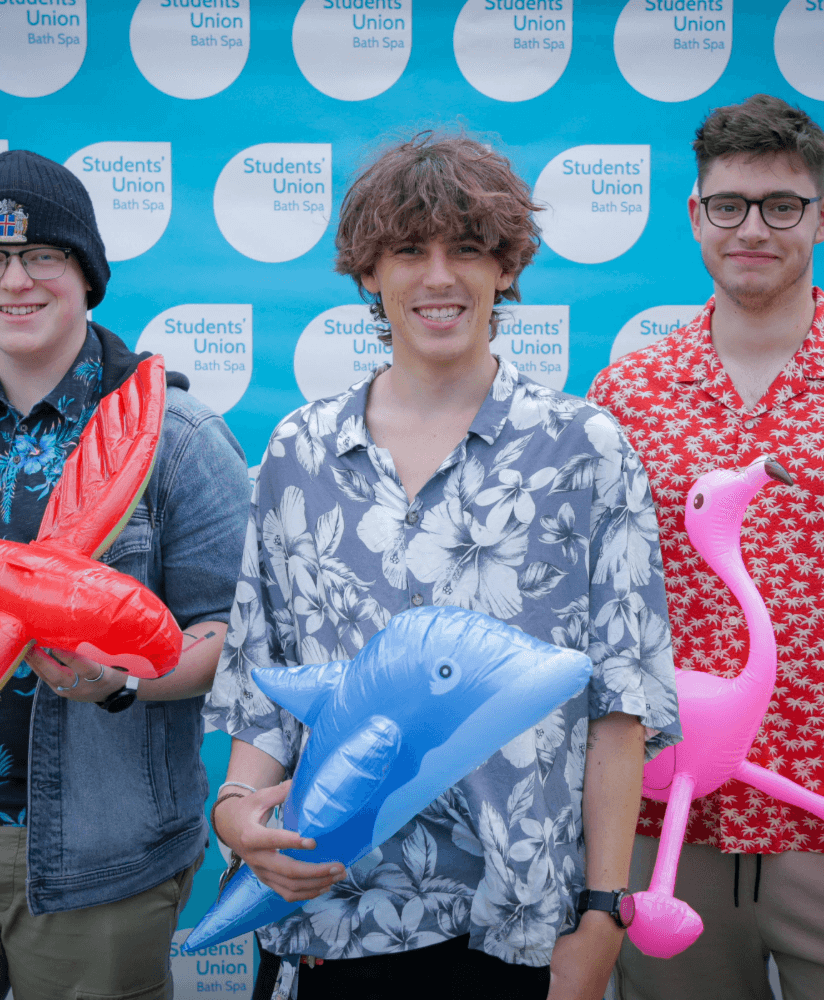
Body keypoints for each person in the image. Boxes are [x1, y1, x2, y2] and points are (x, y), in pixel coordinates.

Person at [203, 132, 681, 1000]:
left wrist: (604, 910)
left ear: (506, 268)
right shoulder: (301, 452)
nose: (437, 277)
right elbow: (261, 682)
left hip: (518, 928)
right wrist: (237, 819)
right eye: (407, 250)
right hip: (328, 917)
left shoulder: (586, 450)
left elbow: (622, 703)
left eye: (467, 249)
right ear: (368, 274)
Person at [0, 150, 250, 1000]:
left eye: (43, 257)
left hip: (102, 855)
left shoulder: (176, 434)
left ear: (86, 274)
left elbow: (237, 635)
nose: (15, 280)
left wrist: (120, 682)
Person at [588, 94, 824, 999]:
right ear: (696, 216)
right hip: (665, 835)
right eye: (729, 205)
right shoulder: (630, 392)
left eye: (781, 205)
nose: (753, 228)